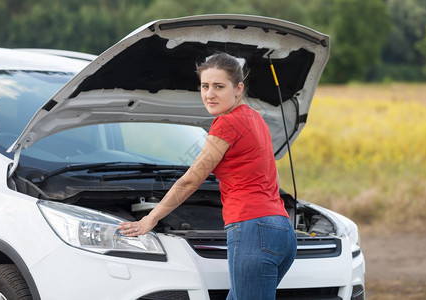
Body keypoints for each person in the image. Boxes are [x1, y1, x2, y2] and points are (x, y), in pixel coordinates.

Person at [118, 52, 297, 299]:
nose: (209, 94)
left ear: (238, 88)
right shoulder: (255, 119)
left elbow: (192, 179)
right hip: (282, 231)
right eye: (205, 86)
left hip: (252, 230)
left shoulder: (226, 123)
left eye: (219, 86)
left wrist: (150, 218)